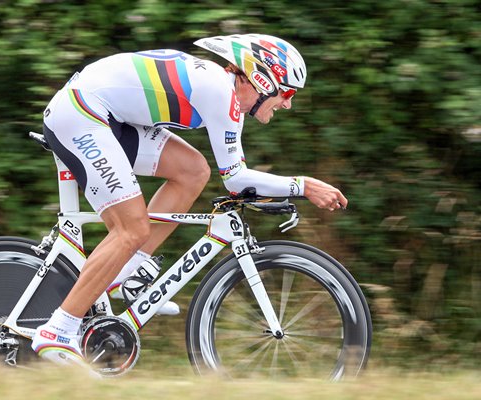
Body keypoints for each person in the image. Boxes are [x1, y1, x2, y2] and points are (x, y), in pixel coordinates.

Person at [31, 34, 348, 365]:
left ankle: (125, 274)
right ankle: (58, 330)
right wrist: (304, 186)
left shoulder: (220, 90)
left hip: (105, 117)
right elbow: (236, 181)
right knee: (131, 229)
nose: (288, 104)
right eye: (287, 93)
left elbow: (230, 176)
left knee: (193, 171)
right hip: (82, 114)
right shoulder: (220, 93)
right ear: (261, 79)